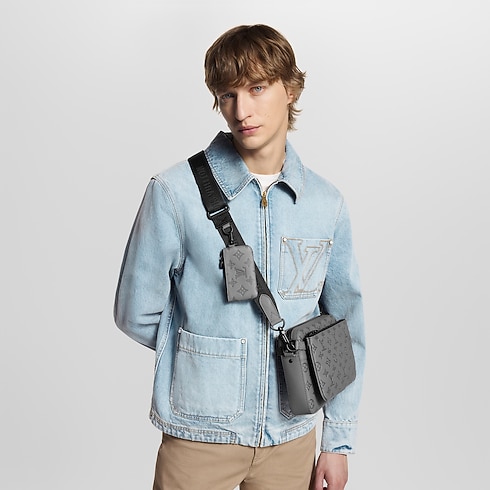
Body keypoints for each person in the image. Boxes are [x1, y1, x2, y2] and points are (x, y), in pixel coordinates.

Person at [114, 24, 366, 490]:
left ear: (290, 89)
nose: (241, 110)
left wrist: (337, 442)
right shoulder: (174, 192)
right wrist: (208, 357)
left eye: (257, 88)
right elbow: (134, 311)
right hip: (198, 435)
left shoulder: (325, 204)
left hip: (291, 436)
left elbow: (345, 325)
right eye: (227, 94)